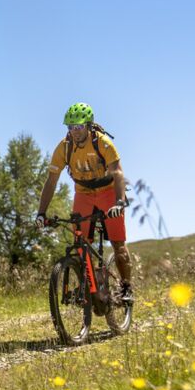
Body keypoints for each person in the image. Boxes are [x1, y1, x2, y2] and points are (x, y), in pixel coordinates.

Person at [36, 102, 134, 303]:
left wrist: (119, 202)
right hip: (83, 193)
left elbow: (117, 173)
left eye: (79, 126)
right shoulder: (64, 147)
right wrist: (41, 213)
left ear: (88, 125)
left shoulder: (103, 143)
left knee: (118, 244)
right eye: (71, 127)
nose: (75, 131)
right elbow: (51, 181)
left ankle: (126, 287)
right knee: (80, 243)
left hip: (108, 192)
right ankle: (89, 288)